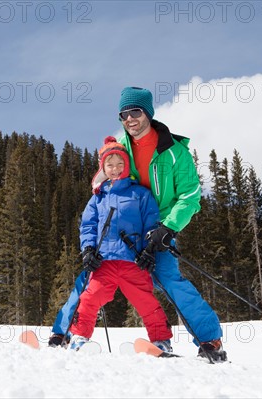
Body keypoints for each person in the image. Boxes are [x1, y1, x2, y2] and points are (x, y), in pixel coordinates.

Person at [50, 86, 226, 362]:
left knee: (169, 280)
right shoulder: (121, 146)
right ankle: (61, 334)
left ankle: (209, 341)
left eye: (135, 112)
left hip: (160, 229)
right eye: (123, 114)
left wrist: (168, 228)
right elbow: (102, 179)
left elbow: (190, 195)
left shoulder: (174, 152)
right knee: (89, 279)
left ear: (148, 113)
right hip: (124, 234)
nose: (129, 119)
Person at [67, 136, 173, 351]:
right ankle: (79, 338)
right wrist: (88, 250)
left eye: (119, 164)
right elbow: (87, 226)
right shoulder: (97, 198)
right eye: (110, 165)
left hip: (133, 260)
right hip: (103, 262)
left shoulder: (140, 194)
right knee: (88, 299)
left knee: (147, 303)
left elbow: (151, 224)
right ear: (103, 167)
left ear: (127, 166)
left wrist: (149, 250)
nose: (115, 169)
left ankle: (161, 340)